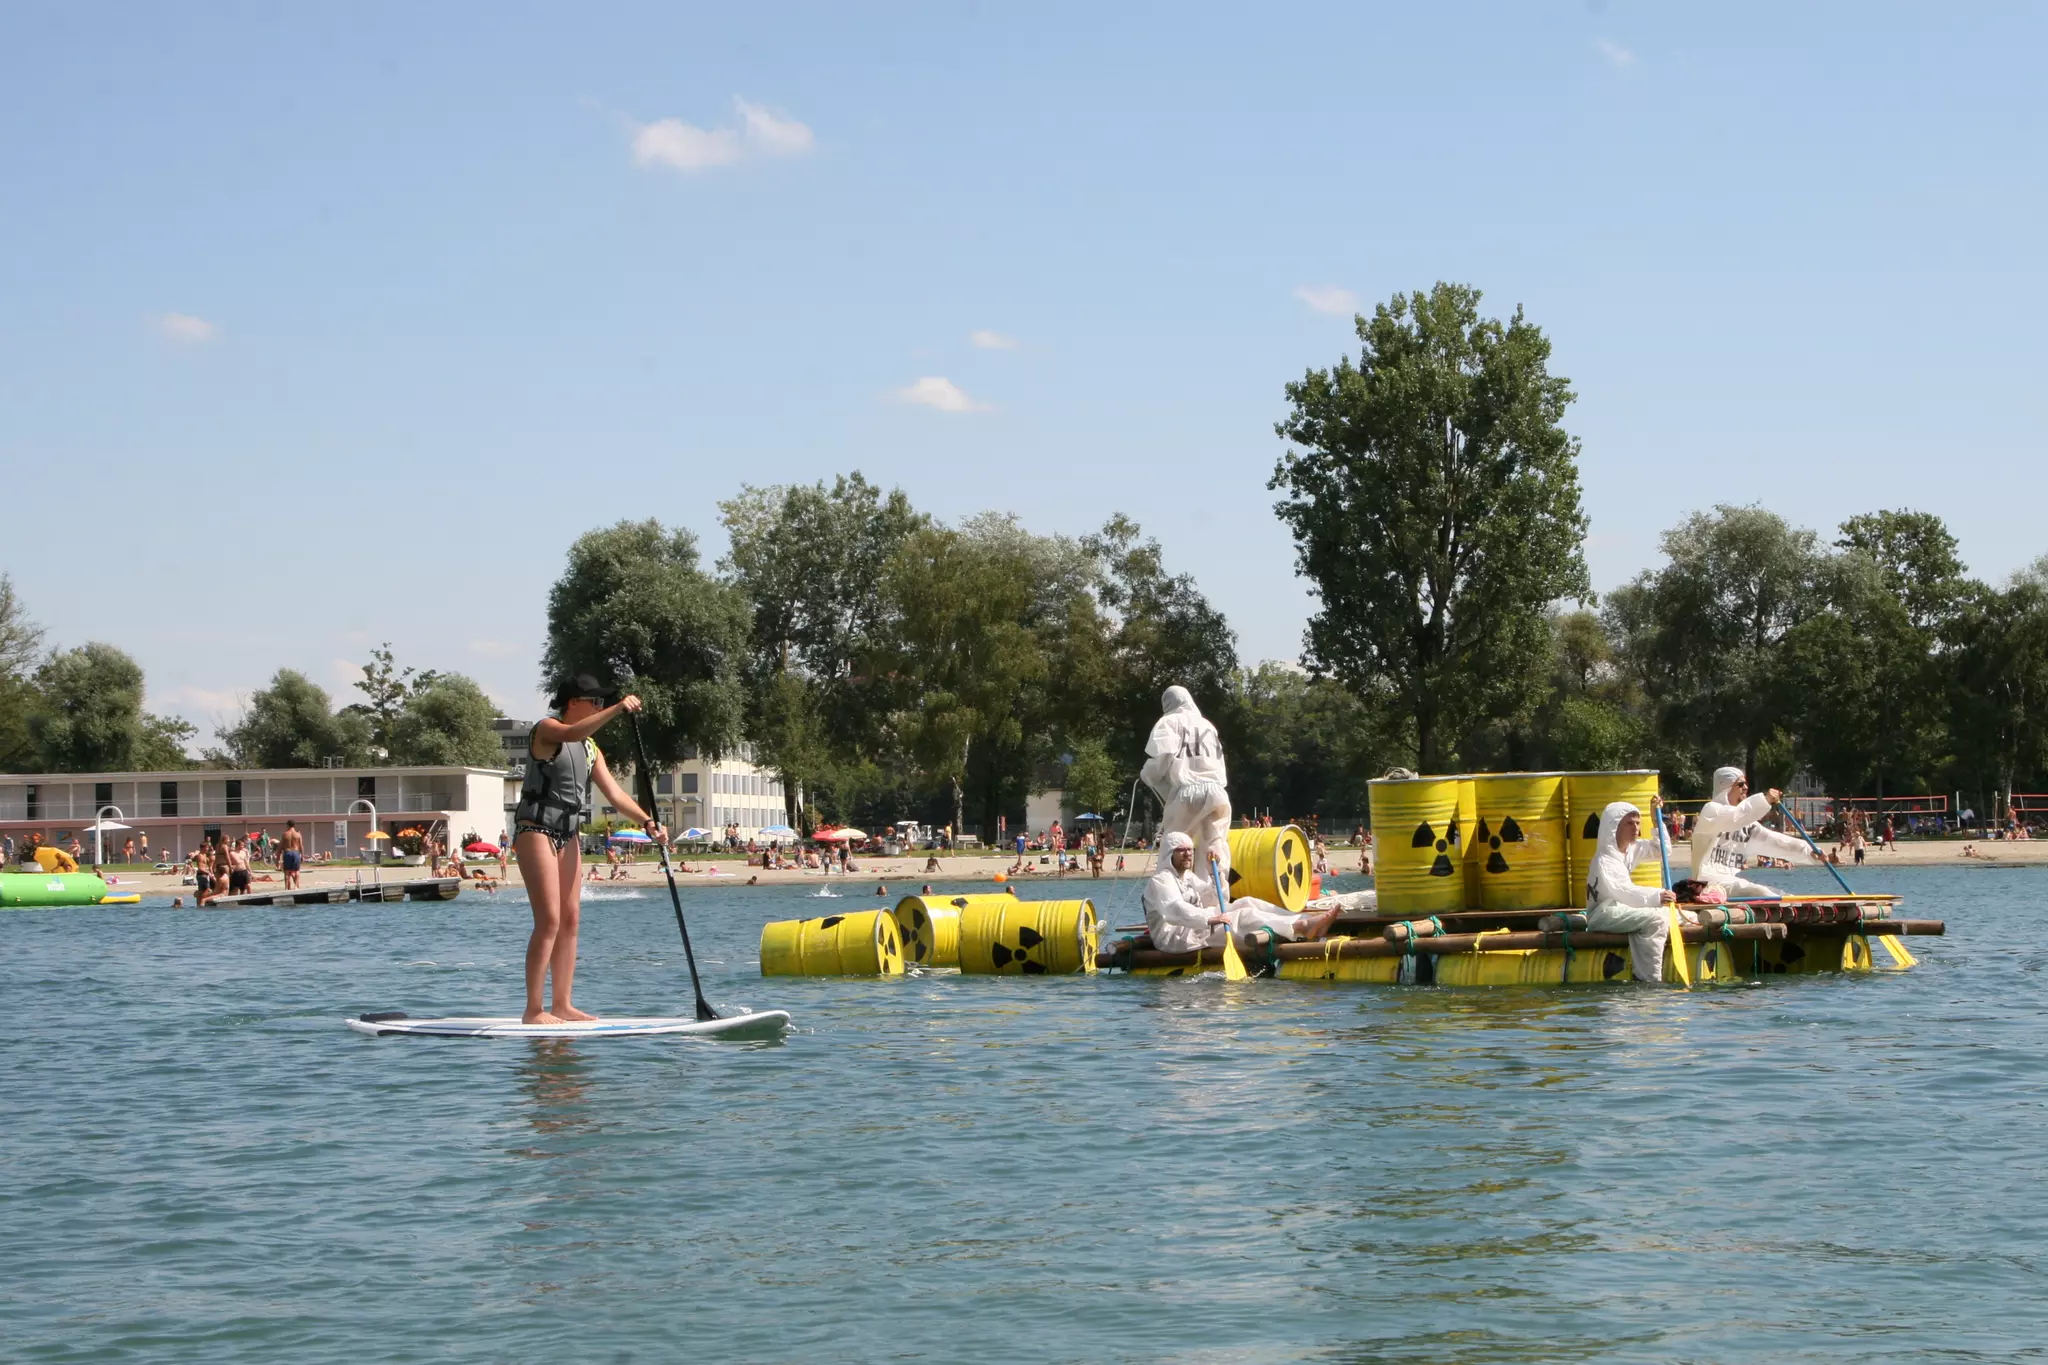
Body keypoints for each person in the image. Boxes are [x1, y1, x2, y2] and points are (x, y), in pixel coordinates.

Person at [513, 675, 664, 1026]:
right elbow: (571, 734)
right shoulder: (547, 729)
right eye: (593, 702)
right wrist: (617, 708)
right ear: (573, 702)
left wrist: (647, 822)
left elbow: (615, 794)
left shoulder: (590, 748)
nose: (598, 707)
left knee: (570, 920)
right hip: (535, 830)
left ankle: (562, 1004)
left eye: (601, 703)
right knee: (549, 920)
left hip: (568, 834)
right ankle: (533, 1010)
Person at [1140, 831, 1340, 954]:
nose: (1188, 854)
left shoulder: (1187, 877)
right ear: (1169, 854)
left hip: (1196, 926)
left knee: (1246, 902)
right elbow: (1175, 910)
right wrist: (1211, 918)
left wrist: (1215, 870)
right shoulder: (1161, 880)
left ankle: (1302, 919)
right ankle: (1300, 927)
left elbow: (1214, 898)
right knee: (1242, 916)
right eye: (1181, 850)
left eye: (1190, 850)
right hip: (1175, 938)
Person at [1140, 685, 1233, 902]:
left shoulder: (1169, 722)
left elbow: (1162, 759)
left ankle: (1170, 902)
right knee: (1215, 846)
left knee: (1174, 845)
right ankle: (1216, 903)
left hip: (1187, 793)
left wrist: (1147, 774)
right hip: (1218, 792)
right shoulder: (1208, 725)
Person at [1585, 801, 1683, 983]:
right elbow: (1624, 891)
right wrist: (1657, 896)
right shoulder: (1604, 860)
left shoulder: (1631, 849)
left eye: (1638, 823)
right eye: (1629, 823)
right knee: (1656, 919)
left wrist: (1657, 821)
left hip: (1621, 909)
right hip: (1603, 914)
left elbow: (1662, 850)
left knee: (1676, 915)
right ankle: (1647, 979)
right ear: (1614, 826)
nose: (1635, 828)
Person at [1688, 767, 1823, 898]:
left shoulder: (1746, 824)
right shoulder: (1711, 811)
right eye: (1740, 784)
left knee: (1780, 894)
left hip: (1729, 882)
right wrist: (1765, 800)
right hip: (1705, 883)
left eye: (1746, 784)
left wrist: (1810, 851)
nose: (1746, 788)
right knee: (1760, 892)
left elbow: (1774, 841)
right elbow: (1736, 816)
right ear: (1726, 788)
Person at [281, 820, 304, 889]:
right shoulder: (298, 834)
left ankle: (286, 888)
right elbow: (301, 846)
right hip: (296, 852)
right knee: (297, 870)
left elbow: (280, 847)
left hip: (287, 852)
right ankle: (295, 886)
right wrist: (302, 855)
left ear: (287, 825)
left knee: (287, 872)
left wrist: (277, 859)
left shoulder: (285, 834)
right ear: (294, 825)